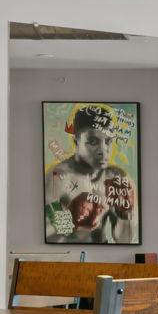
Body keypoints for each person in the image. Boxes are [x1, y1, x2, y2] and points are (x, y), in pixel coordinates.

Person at [45, 104, 135, 243]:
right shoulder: (58, 177)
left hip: (103, 259)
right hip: (70, 258)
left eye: (108, 141)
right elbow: (50, 238)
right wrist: (75, 222)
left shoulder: (115, 178)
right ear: (76, 142)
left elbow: (124, 240)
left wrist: (125, 212)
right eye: (93, 142)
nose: (103, 150)